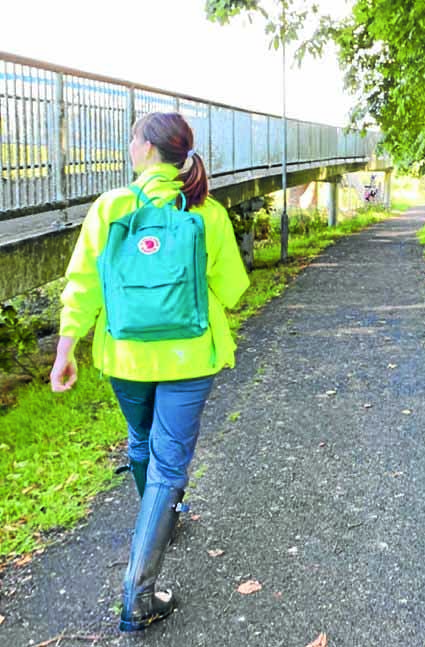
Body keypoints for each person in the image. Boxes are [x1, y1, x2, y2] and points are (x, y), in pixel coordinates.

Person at [49, 112, 249, 631]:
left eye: (133, 138)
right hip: (189, 358)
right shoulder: (207, 214)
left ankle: (159, 517)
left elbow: (83, 284)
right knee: (169, 466)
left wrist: (65, 347)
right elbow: (233, 290)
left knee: (142, 440)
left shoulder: (111, 207)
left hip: (126, 357)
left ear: (145, 150)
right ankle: (138, 594)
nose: (130, 145)